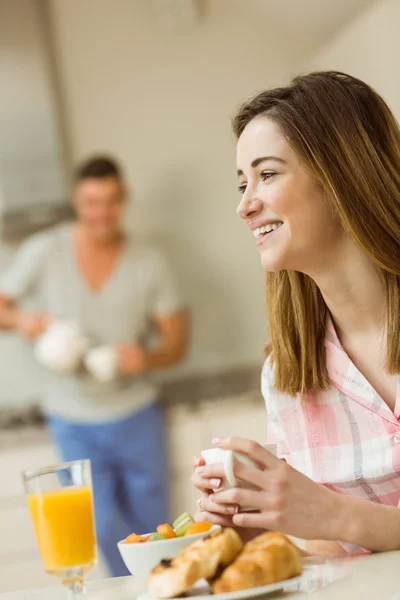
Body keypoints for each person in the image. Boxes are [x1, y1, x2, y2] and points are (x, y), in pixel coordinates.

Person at [192, 71, 400, 555]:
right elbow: (335, 555)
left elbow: (340, 523)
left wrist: (339, 515)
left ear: (340, 175)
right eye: (242, 184)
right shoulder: (288, 375)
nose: (245, 206)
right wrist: (258, 529)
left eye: (266, 175)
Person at [0, 156, 189, 576]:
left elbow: (176, 342)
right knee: (103, 528)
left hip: (137, 414)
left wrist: (148, 357)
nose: (101, 212)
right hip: (73, 419)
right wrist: (23, 321)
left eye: (111, 201)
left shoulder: (149, 261)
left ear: (124, 201)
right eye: (91, 202)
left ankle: (162, 589)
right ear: (76, 201)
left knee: (155, 532)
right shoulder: (45, 250)